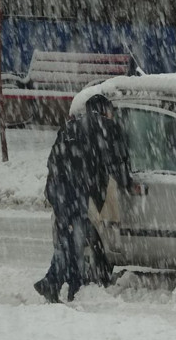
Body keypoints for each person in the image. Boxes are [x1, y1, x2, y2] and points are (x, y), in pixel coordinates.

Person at [34, 101, 131, 303]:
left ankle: (58, 283)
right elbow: (115, 161)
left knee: (68, 239)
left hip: (59, 188)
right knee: (75, 240)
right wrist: (127, 183)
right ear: (104, 110)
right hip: (75, 190)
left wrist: (58, 186)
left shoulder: (70, 126)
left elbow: (53, 160)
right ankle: (65, 285)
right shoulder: (106, 127)